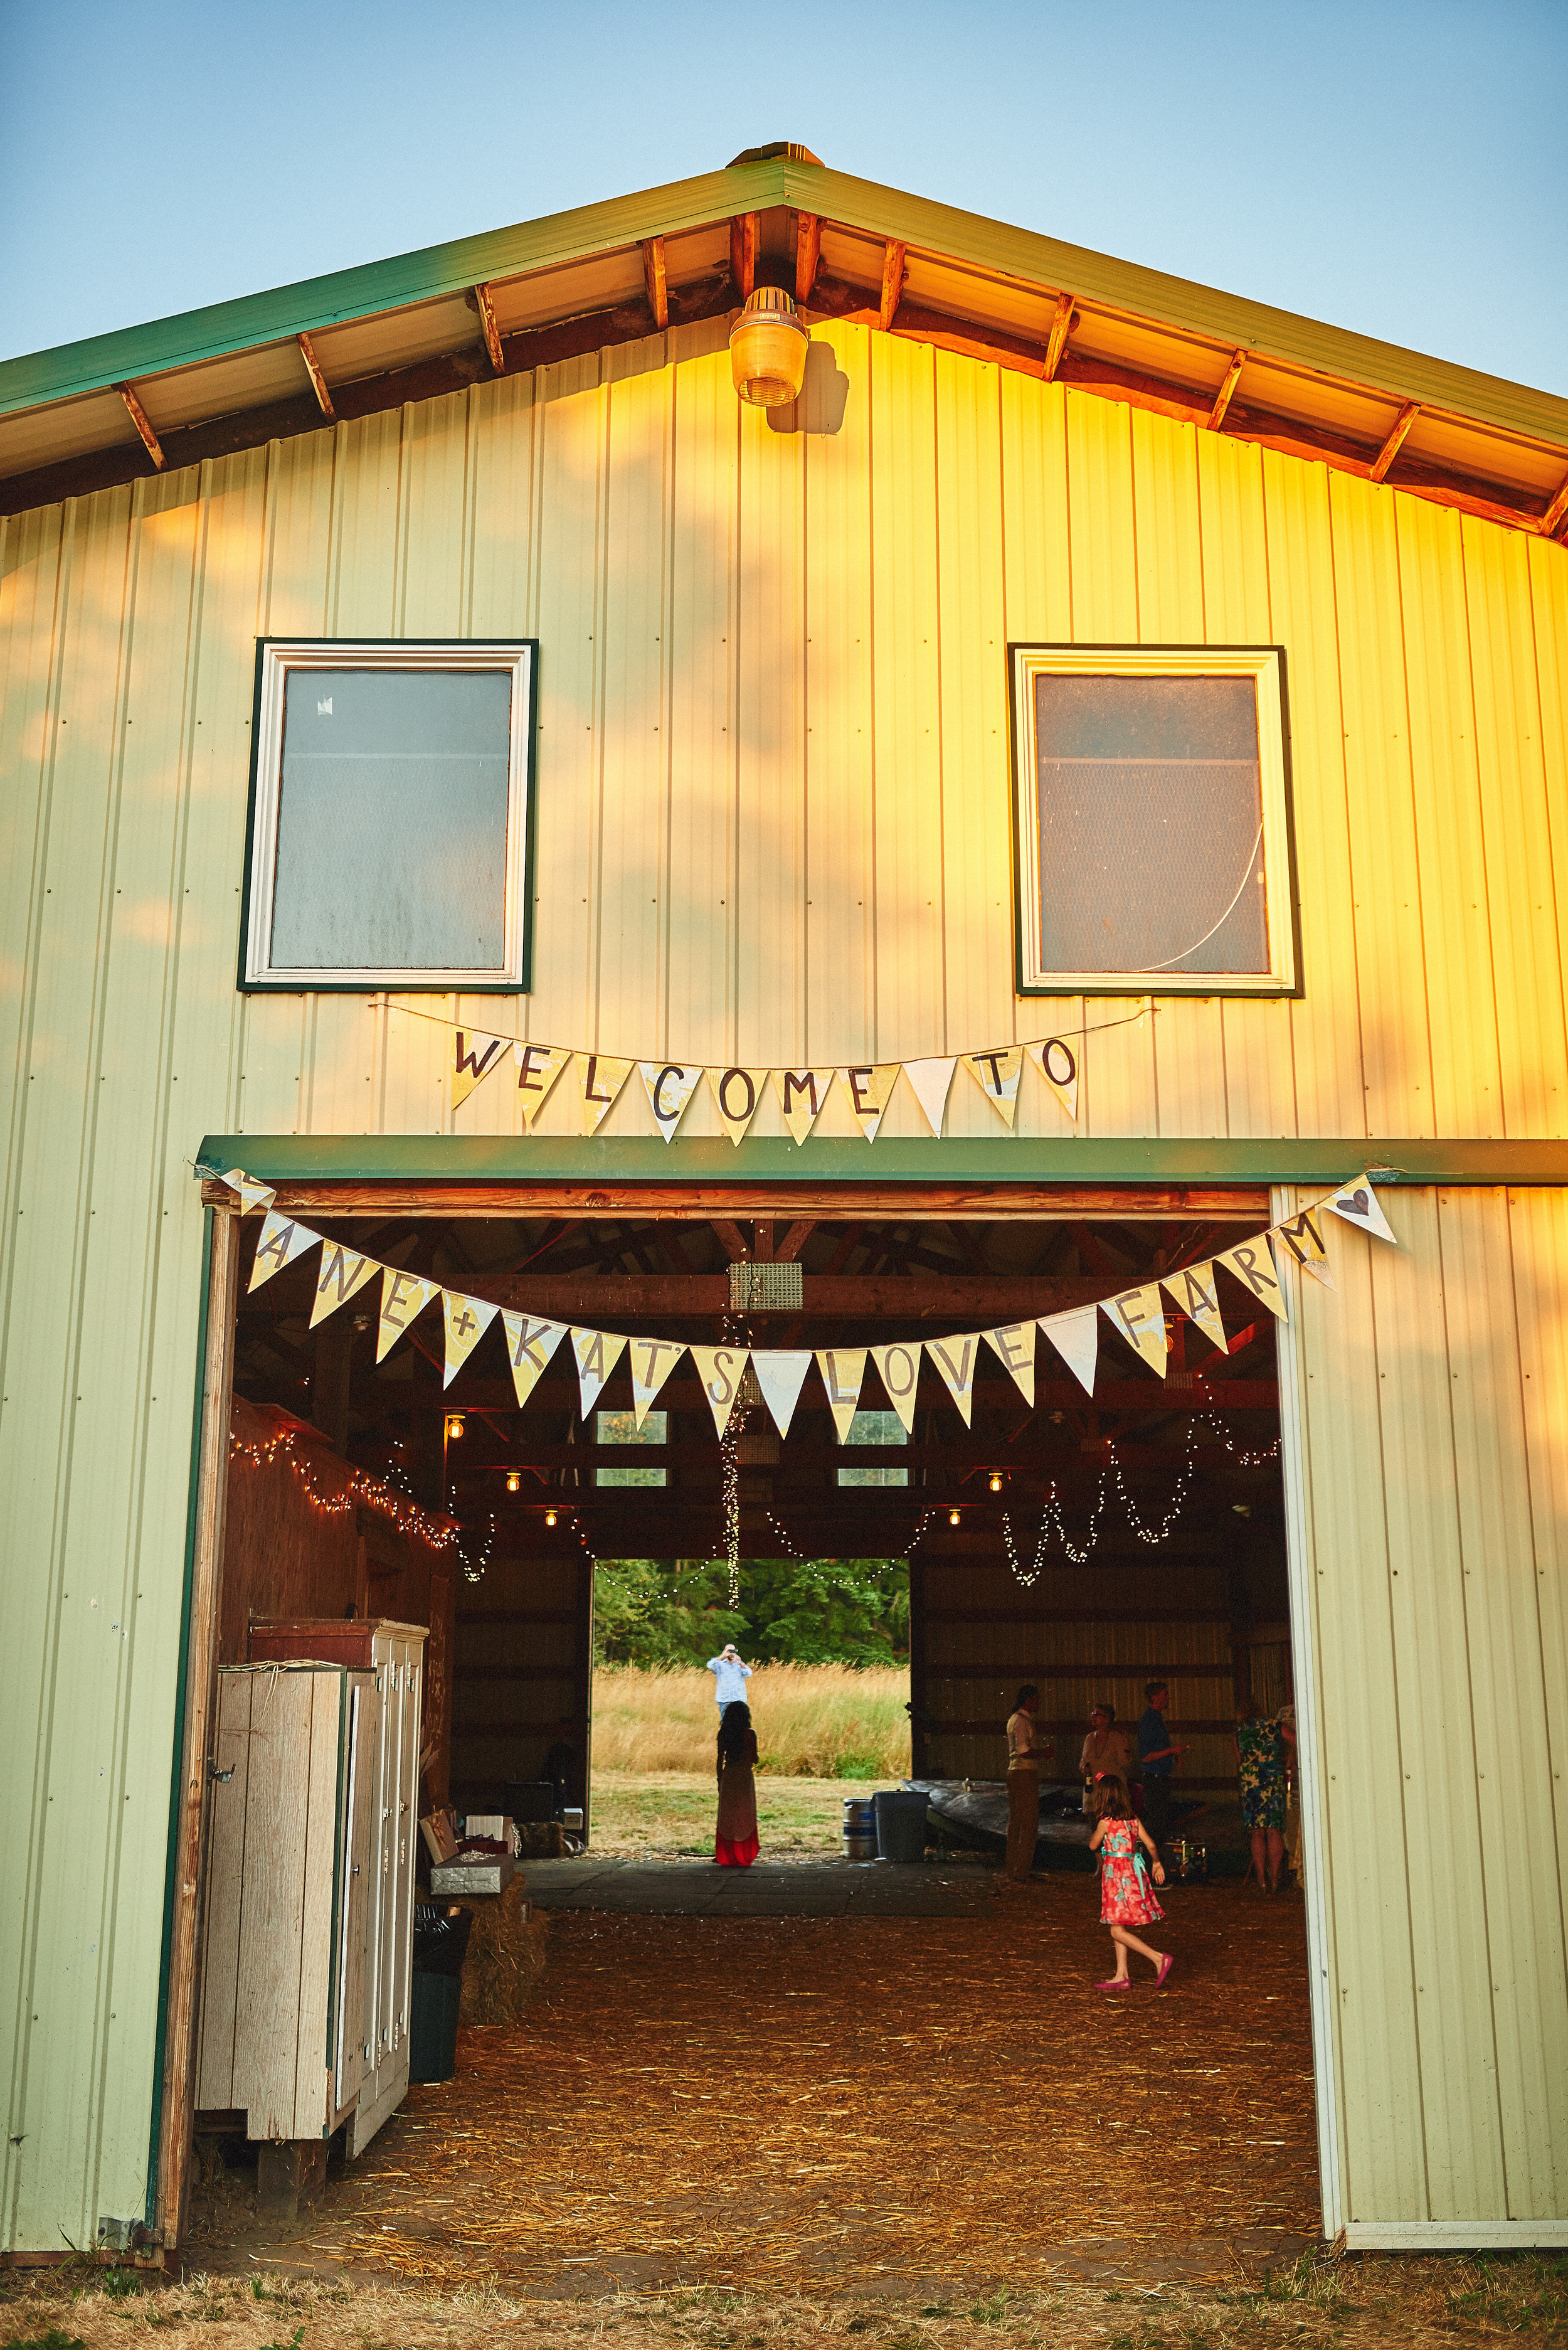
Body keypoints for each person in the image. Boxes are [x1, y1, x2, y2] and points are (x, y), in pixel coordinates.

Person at [1088, 1773, 1172, 1989]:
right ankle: (1122, 1975)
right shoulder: (1134, 1820)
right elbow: (1151, 1845)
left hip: (1115, 1879)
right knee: (1119, 1925)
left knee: (1116, 1930)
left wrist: (1099, 1832)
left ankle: (1157, 1958)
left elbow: (1092, 1845)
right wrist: (1156, 1863)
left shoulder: (1105, 1823)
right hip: (1132, 1876)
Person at [1236, 1704, 1289, 1892]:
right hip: (1273, 1779)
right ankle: (1275, 1878)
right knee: (1274, 1831)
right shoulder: (1276, 1725)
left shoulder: (1240, 1731)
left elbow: (1240, 1759)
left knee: (1257, 1832)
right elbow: (1299, 1741)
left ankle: (1261, 1879)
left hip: (1251, 1782)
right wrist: (1289, 1760)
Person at [1004, 1684, 1052, 1882]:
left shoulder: (1015, 1720)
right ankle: (1021, 1869)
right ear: (1029, 1700)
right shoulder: (1022, 1722)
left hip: (1015, 1773)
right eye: (1037, 1699)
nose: (1039, 1703)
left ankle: (1013, 1867)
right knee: (1029, 1822)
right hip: (1024, 1774)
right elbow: (1024, 1751)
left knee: (1016, 1822)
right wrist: (1044, 1753)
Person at [1136, 1680, 1184, 1859]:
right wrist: (1172, 1751)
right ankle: (1154, 1867)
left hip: (1160, 1777)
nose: (1168, 1698)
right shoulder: (1149, 1721)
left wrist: (1174, 1755)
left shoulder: (1156, 1718)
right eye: (1165, 1695)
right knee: (1156, 1826)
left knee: (1160, 1824)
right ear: (1156, 1698)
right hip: (1154, 1780)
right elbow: (1147, 1756)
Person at [715, 1701, 759, 1868]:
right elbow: (754, 1759)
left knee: (727, 1816)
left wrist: (720, 1780)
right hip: (744, 1777)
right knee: (744, 1814)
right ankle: (744, 1852)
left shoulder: (724, 1734)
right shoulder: (750, 1734)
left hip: (729, 1776)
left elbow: (720, 1759)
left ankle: (726, 1853)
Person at [1079, 1703, 1132, 1805]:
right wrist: (1083, 1768)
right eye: (1093, 1713)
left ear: (1107, 1719)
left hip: (1112, 1790)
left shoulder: (1116, 1738)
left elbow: (1125, 1762)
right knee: (1095, 1819)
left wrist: (1126, 1744)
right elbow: (1083, 1760)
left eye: (1097, 1714)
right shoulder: (1089, 1738)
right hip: (1094, 1790)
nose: (1093, 1716)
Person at [706, 1643, 753, 1709]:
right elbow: (709, 1665)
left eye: (733, 1651)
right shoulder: (719, 1665)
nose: (731, 1654)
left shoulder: (739, 1665)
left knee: (739, 1719)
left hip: (739, 1700)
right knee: (726, 1719)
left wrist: (741, 1663)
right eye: (729, 1651)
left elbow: (749, 1674)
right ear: (725, 1652)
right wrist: (722, 1656)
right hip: (724, 1701)